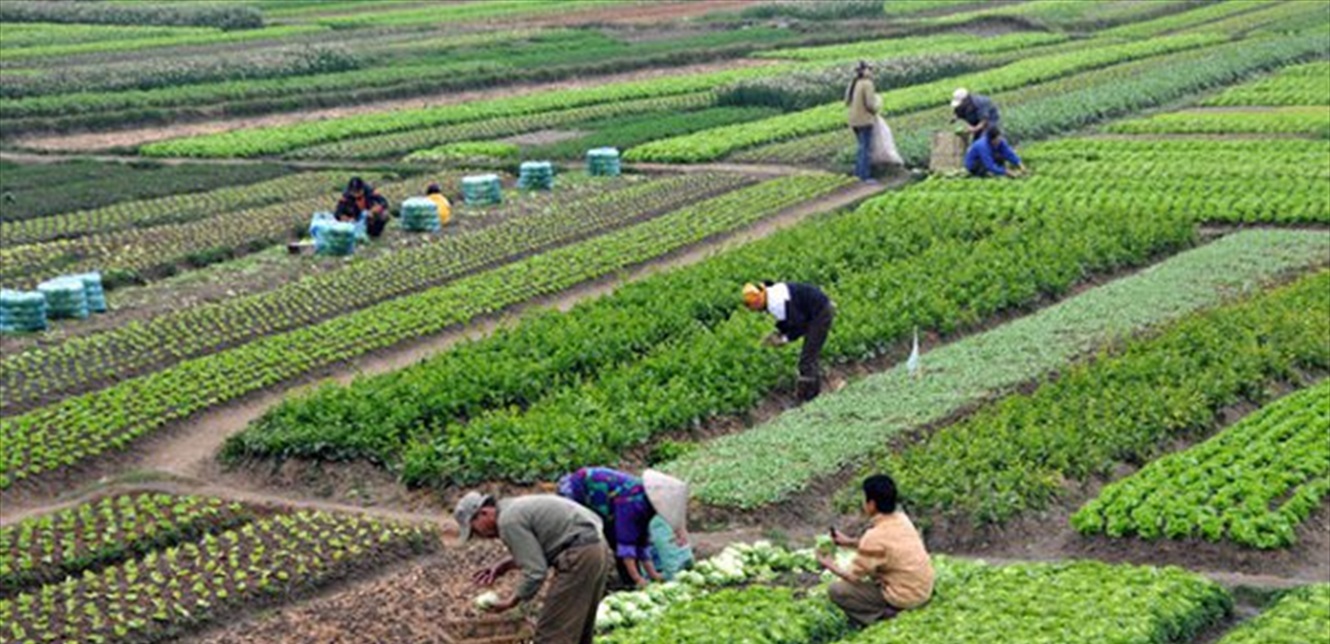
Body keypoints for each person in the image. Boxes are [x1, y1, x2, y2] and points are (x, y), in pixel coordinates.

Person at [456, 491, 612, 644]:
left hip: (580, 554)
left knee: (552, 633)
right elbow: (542, 549)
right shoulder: (513, 508)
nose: (480, 536)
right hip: (596, 547)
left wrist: (512, 601)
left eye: (475, 530)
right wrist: (504, 566)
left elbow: (536, 572)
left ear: (483, 513)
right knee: (579, 629)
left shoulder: (507, 522)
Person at [817, 474, 934, 628]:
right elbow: (884, 547)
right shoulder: (902, 519)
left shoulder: (874, 537)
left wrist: (828, 564)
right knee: (875, 574)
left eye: (864, 498)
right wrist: (849, 542)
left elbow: (852, 576)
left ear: (871, 504)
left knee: (837, 590)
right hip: (923, 591)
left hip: (904, 598)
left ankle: (883, 616)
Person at [556, 467, 690, 589]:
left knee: (632, 539)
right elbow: (625, 542)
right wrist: (638, 579)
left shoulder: (647, 504)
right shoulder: (632, 503)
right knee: (591, 539)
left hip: (607, 501)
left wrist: (653, 574)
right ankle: (587, 581)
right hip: (580, 491)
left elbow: (642, 541)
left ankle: (630, 579)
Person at [742, 281, 834, 402]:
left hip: (820, 312)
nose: (755, 311)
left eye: (754, 307)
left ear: (759, 301)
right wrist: (778, 333)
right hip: (811, 310)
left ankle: (808, 397)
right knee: (810, 356)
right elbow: (788, 319)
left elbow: (800, 325)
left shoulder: (776, 304)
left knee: (807, 358)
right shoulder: (771, 293)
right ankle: (813, 394)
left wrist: (784, 339)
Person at [845, 60, 882, 183]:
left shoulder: (854, 83)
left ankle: (858, 173)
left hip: (854, 120)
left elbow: (847, 101)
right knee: (865, 148)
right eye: (869, 69)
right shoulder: (867, 84)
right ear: (864, 71)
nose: (871, 72)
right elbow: (870, 104)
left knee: (861, 147)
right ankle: (864, 176)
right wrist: (878, 107)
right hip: (864, 120)